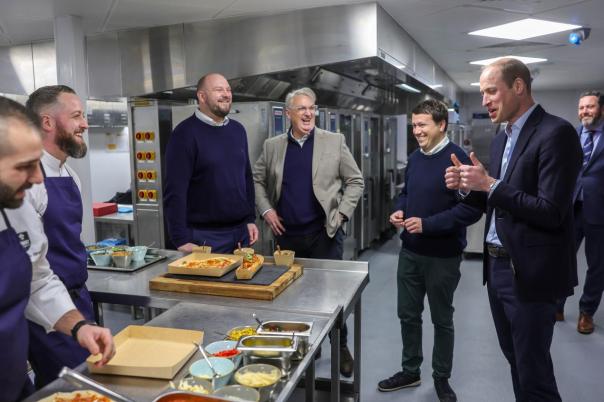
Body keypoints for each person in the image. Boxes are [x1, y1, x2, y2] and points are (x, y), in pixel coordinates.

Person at [444, 58, 582, 401]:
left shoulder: (556, 133)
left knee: (534, 372)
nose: (486, 100)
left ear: (518, 86)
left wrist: (489, 184)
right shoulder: (503, 137)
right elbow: (499, 199)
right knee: (516, 362)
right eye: (482, 93)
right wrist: (468, 186)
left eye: (492, 91)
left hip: (530, 273)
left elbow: (551, 212)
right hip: (498, 269)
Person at [0, 97, 114, 402]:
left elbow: (36, 280)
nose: (39, 178)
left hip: (13, 382)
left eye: (38, 163)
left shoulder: (11, 206)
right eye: (25, 166)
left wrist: (78, 327)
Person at [253, 87, 364, 377]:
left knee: (331, 297)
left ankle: (339, 346)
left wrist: (341, 214)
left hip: (324, 235)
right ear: (288, 113)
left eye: (311, 108)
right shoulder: (273, 146)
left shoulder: (333, 141)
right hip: (287, 238)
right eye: (301, 108)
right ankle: (303, 347)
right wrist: (267, 210)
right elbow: (257, 180)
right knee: (293, 297)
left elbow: (356, 181)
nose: (307, 113)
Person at [377, 100, 481, 402]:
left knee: (441, 319)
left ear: (441, 125)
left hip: (443, 257)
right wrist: (400, 210)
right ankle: (410, 370)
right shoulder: (415, 158)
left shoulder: (458, 160)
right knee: (408, 315)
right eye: (414, 125)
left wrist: (428, 225)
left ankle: (441, 378)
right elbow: (407, 193)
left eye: (423, 124)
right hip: (409, 252)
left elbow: (469, 211)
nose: (416, 130)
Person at [24, 85, 99, 388]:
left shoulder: (71, 176)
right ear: (47, 122)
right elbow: (30, 273)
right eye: (77, 116)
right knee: (73, 387)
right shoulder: (25, 180)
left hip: (79, 298)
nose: (85, 124)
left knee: (85, 381)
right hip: (44, 309)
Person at [164, 73, 258, 253]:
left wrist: (249, 219)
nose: (226, 94)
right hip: (205, 237)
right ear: (202, 96)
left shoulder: (238, 130)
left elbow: (246, 177)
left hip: (241, 234)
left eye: (228, 90)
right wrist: (180, 238)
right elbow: (175, 190)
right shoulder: (184, 134)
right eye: (219, 90)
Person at [556, 91, 604, 334]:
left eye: (590, 107)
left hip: (599, 212)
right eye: (581, 107)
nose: (584, 111)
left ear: (601, 109)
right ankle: (557, 305)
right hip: (570, 208)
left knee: (597, 265)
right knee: (562, 258)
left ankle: (586, 312)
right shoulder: (571, 135)